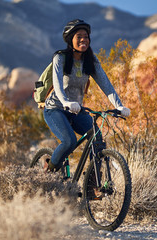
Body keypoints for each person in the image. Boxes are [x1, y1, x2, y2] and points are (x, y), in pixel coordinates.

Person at [43, 19, 130, 171]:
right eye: (79, 36)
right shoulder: (60, 58)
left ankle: (92, 186)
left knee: (97, 140)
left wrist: (119, 105)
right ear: (71, 40)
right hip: (55, 108)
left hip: (76, 110)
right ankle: (48, 171)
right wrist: (65, 102)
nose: (84, 39)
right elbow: (57, 85)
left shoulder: (91, 60)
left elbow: (106, 85)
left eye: (86, 36)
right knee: (69, 141)